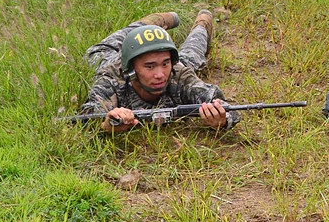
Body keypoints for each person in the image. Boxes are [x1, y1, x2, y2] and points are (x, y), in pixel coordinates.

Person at [80, 10, 240, 134]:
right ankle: (152, 22)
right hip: (112, 57)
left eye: (165, 63)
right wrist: (107, 125)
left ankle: (202, 24)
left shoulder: (178, 74)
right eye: (149, 67)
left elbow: (225, 106)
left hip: (180, 67)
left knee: (192, 55)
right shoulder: (111, 76)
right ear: (131, 68)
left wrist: (222, 120)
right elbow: (89, 116)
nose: (160, 74)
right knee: (94, 55)